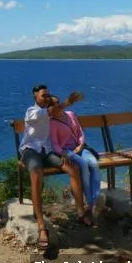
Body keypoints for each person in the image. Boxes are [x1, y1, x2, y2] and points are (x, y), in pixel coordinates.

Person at [19, 85, 85, 249]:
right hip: (30, 150)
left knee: (73, 169)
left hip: (47, 151)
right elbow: (51, 112)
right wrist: (68, 101)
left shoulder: (51, 113)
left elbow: (57, 118)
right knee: (36, 172)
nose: (46, 98)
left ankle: (81, 212)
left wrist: (63, 151)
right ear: (35, 97)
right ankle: (41, 226)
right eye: (43, 96)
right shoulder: (31, 112)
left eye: (48, 95)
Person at [48, 95, 106, 225]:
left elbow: (80, 132)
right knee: (83, 165)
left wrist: (80, 144)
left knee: (94, 164)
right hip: (67, 151)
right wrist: (64, 153)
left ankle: (95, 199)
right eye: (53, 104)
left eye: (58, 102)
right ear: (49, 108)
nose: (57, 105)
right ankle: (92, 202)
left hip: (80, 147)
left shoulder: (71, 114)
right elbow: (55, 144)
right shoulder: (52, 123)